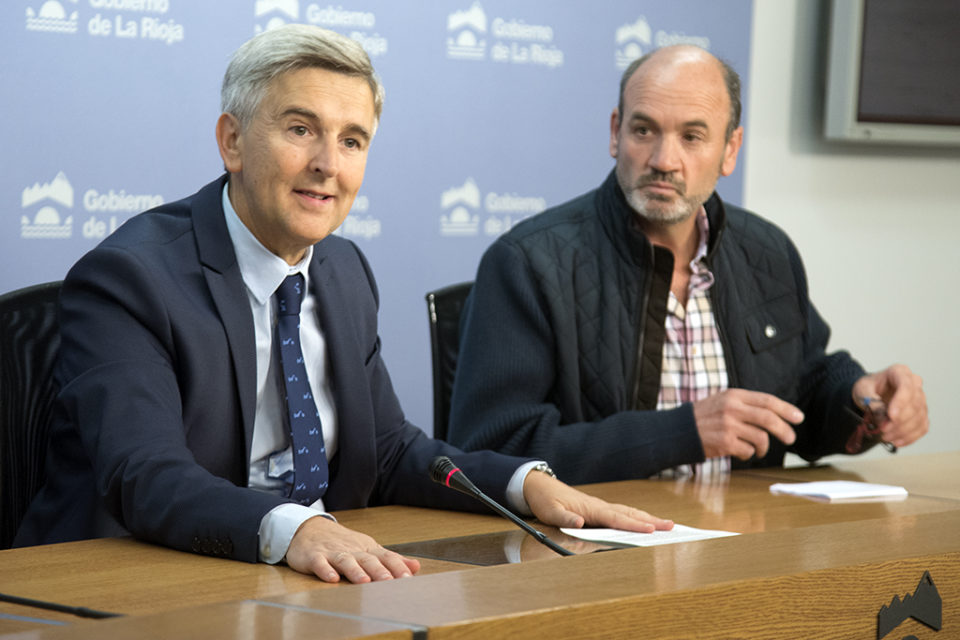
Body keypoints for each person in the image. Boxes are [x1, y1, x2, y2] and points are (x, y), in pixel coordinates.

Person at [13, 25, 673, 584]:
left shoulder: (343, 269)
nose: (328, 163)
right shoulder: (130, 279)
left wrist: (522, 485)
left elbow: (384, 451)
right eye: (302, 129)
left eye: (353, 140)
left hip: (295, 581)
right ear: (232, 141)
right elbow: (144, 475)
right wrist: (293, 531)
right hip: (125, 587)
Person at [447, 45, 928, 485]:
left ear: (730, 150)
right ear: (616, 133)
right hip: (591, 553)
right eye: (644, 130)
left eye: (692, 136)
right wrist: (684, 432)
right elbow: (492, 450)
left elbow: (802, 393)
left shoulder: (767, 251)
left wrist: (860, 401)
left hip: (742, 545)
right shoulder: (528, 262)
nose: (664, 160)